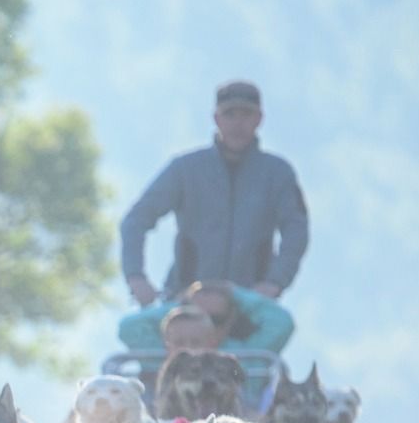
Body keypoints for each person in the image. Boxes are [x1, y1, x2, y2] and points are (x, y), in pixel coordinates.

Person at [119, 80, 310, 308]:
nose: (238, 123)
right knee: (134, 332)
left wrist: (275, 283)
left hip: (248, 306)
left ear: (259, 119)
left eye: (246, 114)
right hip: (185, 303)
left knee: (281, 327)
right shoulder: (185, 169)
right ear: (216, 119)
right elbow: (136, 220)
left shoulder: (278, 174)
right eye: (230, 114)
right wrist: (136, 277)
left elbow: (296, 231)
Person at [119, 277, 294, 359]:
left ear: (230, 321)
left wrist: (237, 294)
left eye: (215, 318)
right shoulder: (166, 352)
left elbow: (282, 322)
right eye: (195, 314)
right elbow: (128, 327)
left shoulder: (247, 357)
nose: (205, 323)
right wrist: (179, 305)